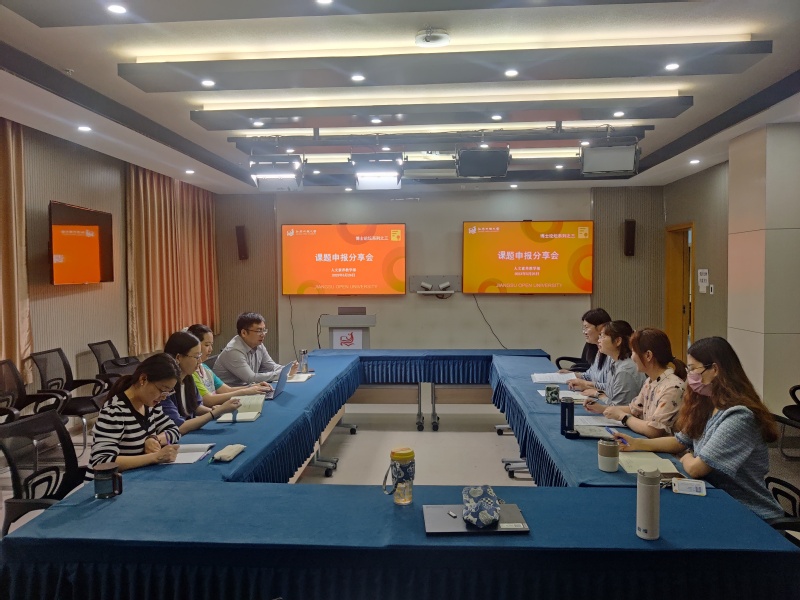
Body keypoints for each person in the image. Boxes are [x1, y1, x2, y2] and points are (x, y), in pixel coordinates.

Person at [613, 337, 783, 520]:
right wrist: (637, 444)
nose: (690, 376)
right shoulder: (709, 405)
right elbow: (680, 441)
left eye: (693, 369)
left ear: (715, 370)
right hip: (714, 497)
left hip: (748, 513)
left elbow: (696, 468)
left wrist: (686, 455)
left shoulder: (739, 416)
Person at [90, 353, 182, 474]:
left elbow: (174, 430)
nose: (163, 397)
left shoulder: (150, 405)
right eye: (162, 390)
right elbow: (101, 462)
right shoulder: (115, 411)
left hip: (139, 475)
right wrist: (154, 457)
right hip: (110, 482)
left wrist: (154, 438)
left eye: (168, 392)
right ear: (143, 379)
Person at [603, 328, 686, 437]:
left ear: (648, 355)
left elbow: (654, 430)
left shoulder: (673, 387)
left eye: (633, 352)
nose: (632, 357)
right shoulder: (650, 380)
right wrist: (605, 410)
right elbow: (635, 409)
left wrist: (623, 417)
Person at [161, 331, 240, 433]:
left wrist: (216, 410)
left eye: (200, 356)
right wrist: (215, 413)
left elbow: (195, 407)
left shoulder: (188, 378)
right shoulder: (164, 387)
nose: (200, 361)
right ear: (178, 358)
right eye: (196, 357)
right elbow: (179, 427)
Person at [186, 323, 271, 407]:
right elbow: (208, 400)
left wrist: (252, 387)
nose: (211, 349)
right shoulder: (190, 373)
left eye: (211, 345)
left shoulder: (205, 368)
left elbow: (226, 390)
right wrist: (245, 391)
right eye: (207, 345)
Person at [214, 312, 298, 387]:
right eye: (259, 331)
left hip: (249, 389)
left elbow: (271, 366)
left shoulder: (259, 345)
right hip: (231, 395)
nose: (263, 334)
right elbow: (251, 378)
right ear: (244, 333)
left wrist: (288, 369)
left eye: (264, 330)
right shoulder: (233, 351)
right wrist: (283, 373)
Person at [577, 320, 645, 412]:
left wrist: (599, 395)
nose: (599, 340)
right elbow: (611, 392)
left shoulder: (625, 371)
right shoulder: (616, 363)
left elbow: (618, 410)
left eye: (602, 336)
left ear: (617, 341)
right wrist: (596, 392)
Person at [564, 308, 612, 394]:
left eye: (586, 328)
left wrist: (586, 384)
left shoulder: (612, 355)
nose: (584, 332)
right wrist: (571, 374)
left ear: (601, 328)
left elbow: (613, 387)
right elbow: (590, 375)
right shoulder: (597, 350)